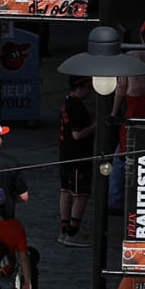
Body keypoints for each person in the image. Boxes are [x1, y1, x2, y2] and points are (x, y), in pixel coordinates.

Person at [56, 80, 97, 246]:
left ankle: (65, 229)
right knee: (82, 194)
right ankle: (73, 233)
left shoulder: (66, 102)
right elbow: (77, 134)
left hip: (66, 154)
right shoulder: (76, 106)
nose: (90, 92)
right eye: (88, 88)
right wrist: (96, 125)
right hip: (78, 156)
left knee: (65, 190)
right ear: (79, 88)